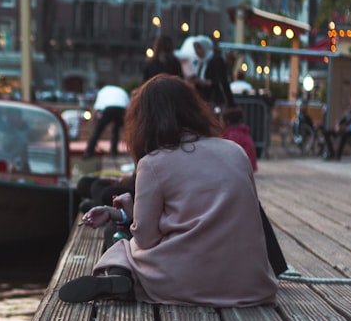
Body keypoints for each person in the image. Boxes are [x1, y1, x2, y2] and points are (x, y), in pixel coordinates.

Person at [58, 75, 278, 306]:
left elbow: (145, 238)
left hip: (193, 280)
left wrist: (130, 214)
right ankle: (123, 279)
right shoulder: (235, 151)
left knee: (122, 245)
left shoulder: (153, 163)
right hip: (251, 283)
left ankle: (122, 278)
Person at [188, 35, 235, 111]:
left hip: (215, 100)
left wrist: (203, 82)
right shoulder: (200, 63)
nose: (196, 51)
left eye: (198, 48)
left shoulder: (216, 60)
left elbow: (221, 80)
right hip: (203, 99)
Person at [84, 84, 130, 158]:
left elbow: (96, 108)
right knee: (116, 130)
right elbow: (129, 106)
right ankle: (114, 152)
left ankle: (89, 152)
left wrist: (92, 121)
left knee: (98, 130)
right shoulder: (122, 91)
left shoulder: (102, 92)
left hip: (109, 108)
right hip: (121, 108)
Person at [321, 93, 351, 161]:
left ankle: (338, 155)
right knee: (326, 132)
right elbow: (343, 119)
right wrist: (338, 125)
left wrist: (348, 127)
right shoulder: (350, 111)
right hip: (344, 129)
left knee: (344, 135)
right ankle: (332, 153)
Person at [222, 106, 258, 172]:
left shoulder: (231, 135)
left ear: (227, 121)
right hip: (249, 167)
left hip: (240, 168)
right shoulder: (243, 133)